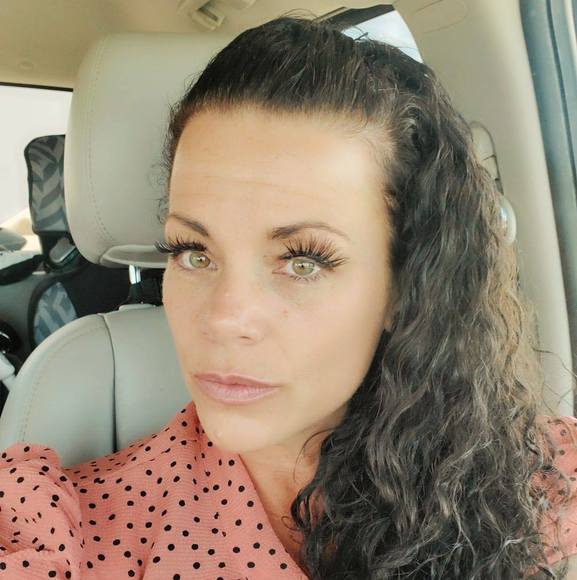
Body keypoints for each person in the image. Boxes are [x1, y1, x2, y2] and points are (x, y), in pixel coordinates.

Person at [0, 14, 576, 580]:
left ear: (407, 288)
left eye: (303, 261)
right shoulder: (67, 534)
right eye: (193, 252)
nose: (224, 319)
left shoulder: (539, 483)